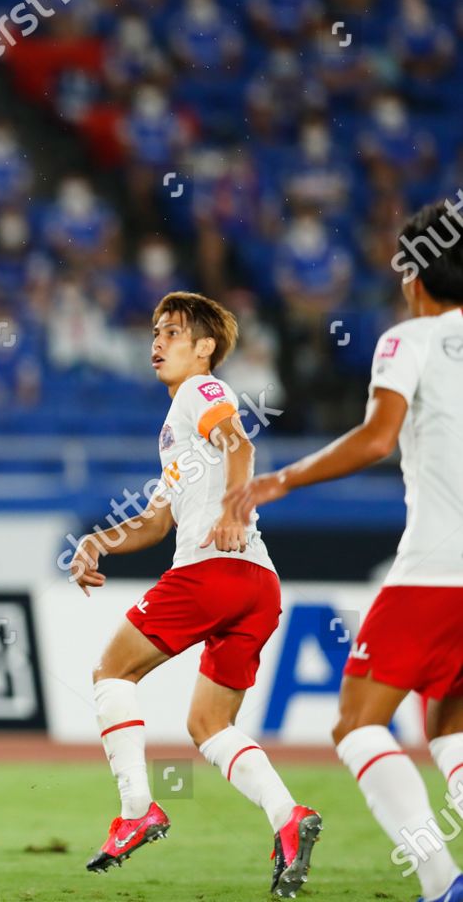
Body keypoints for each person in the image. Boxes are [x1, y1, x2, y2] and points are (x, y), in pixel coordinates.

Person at [228, 199, 463, 902]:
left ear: (414, 279)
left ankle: (438, 877)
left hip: (433, 572)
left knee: (357, 722)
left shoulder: (408, 341)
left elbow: (375, 438)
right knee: (449, 726)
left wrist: (282, 478)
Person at [69, 293, 320, 897]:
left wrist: (235, 510)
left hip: (211, 572)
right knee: (210, 725)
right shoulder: (177, 432)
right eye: (155, 331)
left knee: (111, 673)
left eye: (173, 332)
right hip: (256, 584)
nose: (157, 342)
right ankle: (288, 817)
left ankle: (137, 811)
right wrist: (98, 542)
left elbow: (243, 446)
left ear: (204, 348)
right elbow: (157, 523)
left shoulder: (199, 392)